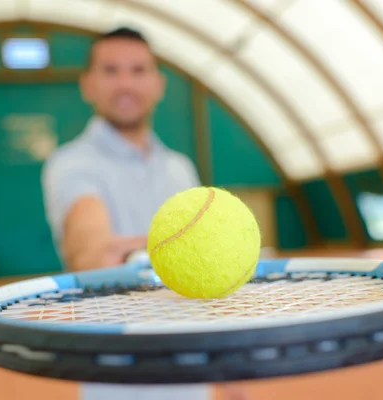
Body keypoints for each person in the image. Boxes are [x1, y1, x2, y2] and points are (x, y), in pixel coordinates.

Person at [41, 27, 248, 400]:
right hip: (115, 368)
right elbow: (90, 253)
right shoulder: (70, 164)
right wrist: (166, 249)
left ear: (158, 83)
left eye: (138, 71)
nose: (125, 83)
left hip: (188, 361)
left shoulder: (179, 168)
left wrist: (227, 370)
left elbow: (202, 280)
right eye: (110, 70)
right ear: (87, 84)